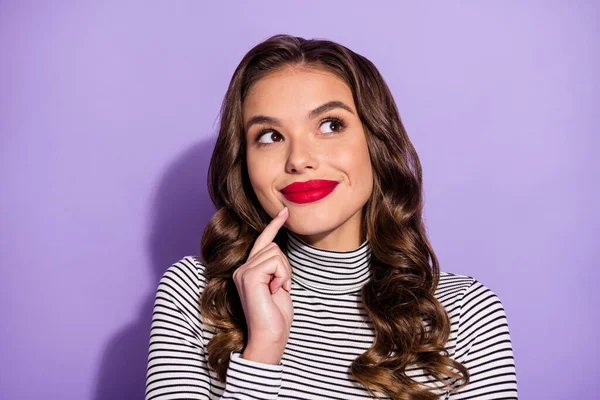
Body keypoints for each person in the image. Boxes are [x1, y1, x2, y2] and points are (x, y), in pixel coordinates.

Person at [145, 34, 518, 400]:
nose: (298, 159)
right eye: (270, 135)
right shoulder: (194, 295)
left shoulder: (467, 313)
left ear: (376, 143)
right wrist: (264, 348)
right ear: (245, 165)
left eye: (330, 125)